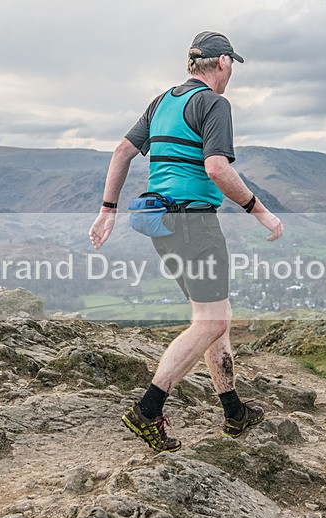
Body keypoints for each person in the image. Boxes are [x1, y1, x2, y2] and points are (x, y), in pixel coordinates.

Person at [89, 31, 284, 452]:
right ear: (223, 63)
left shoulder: (162, 102)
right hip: (194, 225)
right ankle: (147, 409)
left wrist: (107, 210)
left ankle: (233, 410)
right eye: (231, 65)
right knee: (211, 322)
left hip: (162, 224)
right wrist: (261, 213)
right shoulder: (213, 104)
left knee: (213, 315)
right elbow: (217, 168)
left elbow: (122, 152)